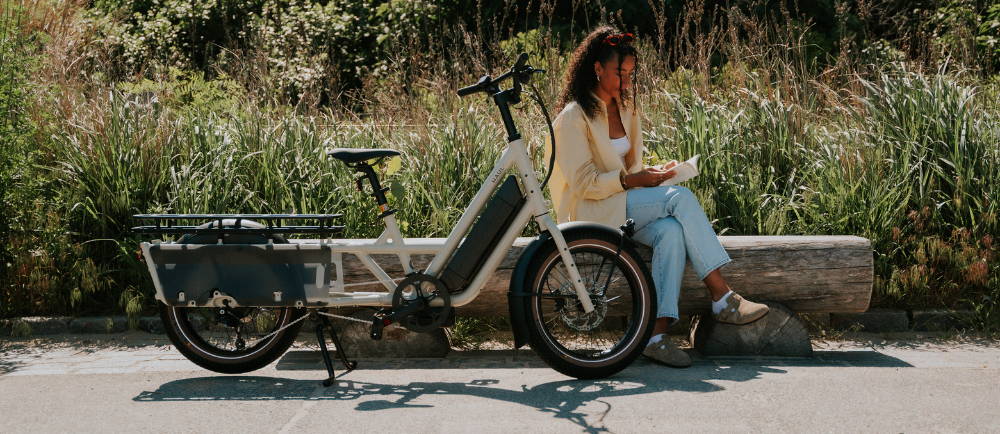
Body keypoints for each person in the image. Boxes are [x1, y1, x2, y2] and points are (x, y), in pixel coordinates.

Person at [544, 26, 769, 368]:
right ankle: (723, 297)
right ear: (597, 68)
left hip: (621, 206)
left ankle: (656, 335)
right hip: (588, 211)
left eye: (630, 74)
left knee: (671, 232)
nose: (625, 82)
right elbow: (584, 184)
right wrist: (635, 179)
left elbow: (629, 168)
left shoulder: (626, 108)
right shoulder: (572, 117)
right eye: (620, 73)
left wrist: (656, 173)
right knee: (678, 199)